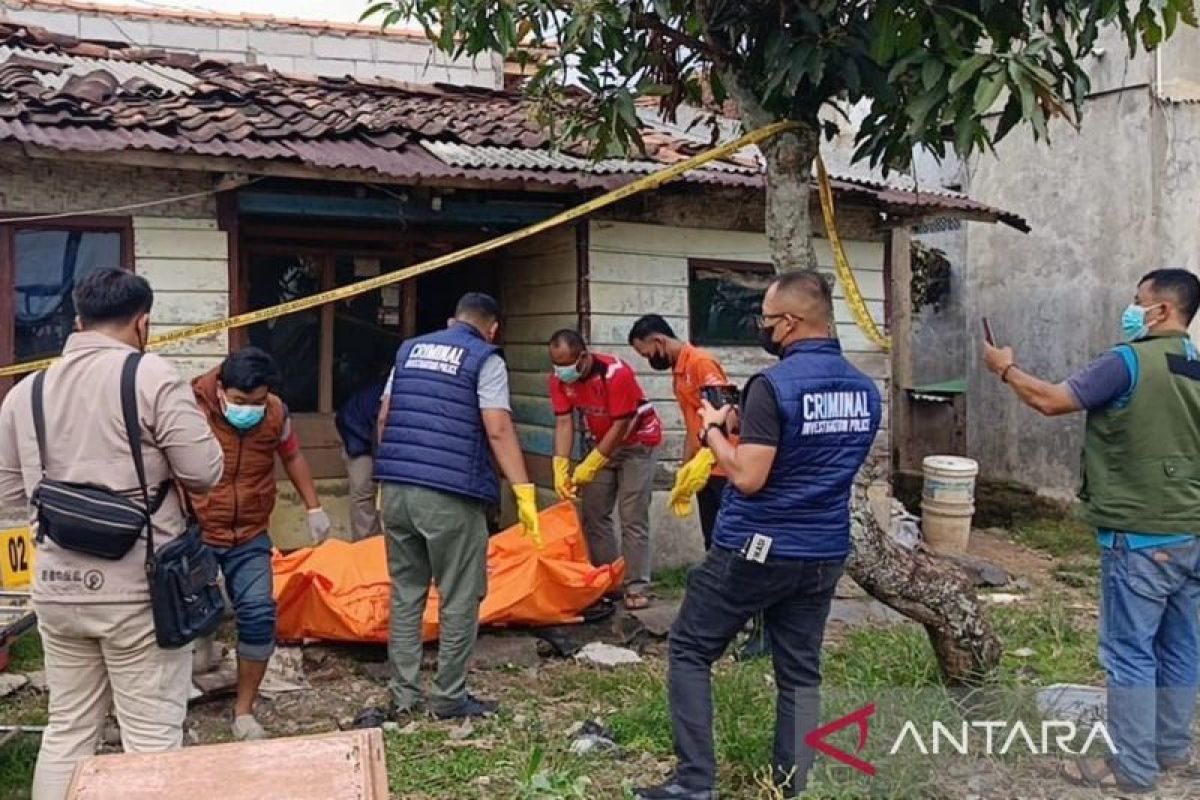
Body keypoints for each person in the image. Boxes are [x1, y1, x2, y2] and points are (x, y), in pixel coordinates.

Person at [635, 271, 881, 800]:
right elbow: (818, 458)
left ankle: (694, 782)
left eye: (767, 319)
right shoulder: (865, 389)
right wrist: (741, 425)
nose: (762, 327)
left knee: (690, 648)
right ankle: (792, 787)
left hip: (757, 548)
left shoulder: (772, 386)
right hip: (823, 551)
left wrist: (712, 433)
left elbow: (747, 476)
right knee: (799, 673)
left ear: (790, 323)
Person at [0, 269, 224, 800]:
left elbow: (8, 496)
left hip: (56, 588)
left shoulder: (27, 391)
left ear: (77, 319)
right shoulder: (151, 377)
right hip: (138, 594)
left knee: (68, 730)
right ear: (143, 322)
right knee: (150, 737)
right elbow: (205, 471)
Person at [984, 268, 1200, 794]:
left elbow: (1051, 400)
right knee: (1182, 646)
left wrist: (1005, 369)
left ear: (1163, 311)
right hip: (1190, 533)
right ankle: (1171, 750)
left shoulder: (1127, 362)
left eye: (1137, 302)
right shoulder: (1195, 365)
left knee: (1130, 653)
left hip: (1138, 537)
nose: (1130, 310)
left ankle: (1131, 769)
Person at [374, 292, 541, 720]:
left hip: (396, 488)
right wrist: (523, 490)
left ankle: (403, 695)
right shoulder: (486, 358)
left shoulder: (407, 350)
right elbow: (498, 429)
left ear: (452, 321)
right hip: (449, 494)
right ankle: (449, 697)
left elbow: (385, 417)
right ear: (493, 328)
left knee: (407, 593)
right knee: (459, 595)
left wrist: (389, 472)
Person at [189, 346, 332, 741]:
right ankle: (173, 700)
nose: (249, 409)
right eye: (239, 402)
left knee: (257, 614)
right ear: (221, 389)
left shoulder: (275, 413)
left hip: (250, 533)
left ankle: (244, 712)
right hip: (196, 529)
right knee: (184, 618)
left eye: (257, 401)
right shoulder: (190, 406)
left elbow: (293, 457)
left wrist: (314, 506)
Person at [549, 329, 663, 610]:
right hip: (602, 441)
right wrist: (560, 465)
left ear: (584, 356)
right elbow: (564, 423)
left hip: (637, 442)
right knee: (593, 512)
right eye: (557, 365)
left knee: (632, 514)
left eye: (568, 364)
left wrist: (592, 463)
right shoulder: (559, 381)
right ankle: (607, 580)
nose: (563, 372)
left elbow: (621, 424)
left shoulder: (616, 373)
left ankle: (637, 585)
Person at [336, 374, 386, 540]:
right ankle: (367, 549)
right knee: (363, 491)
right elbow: (382, 422)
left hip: (380, 431)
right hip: (356, 429)